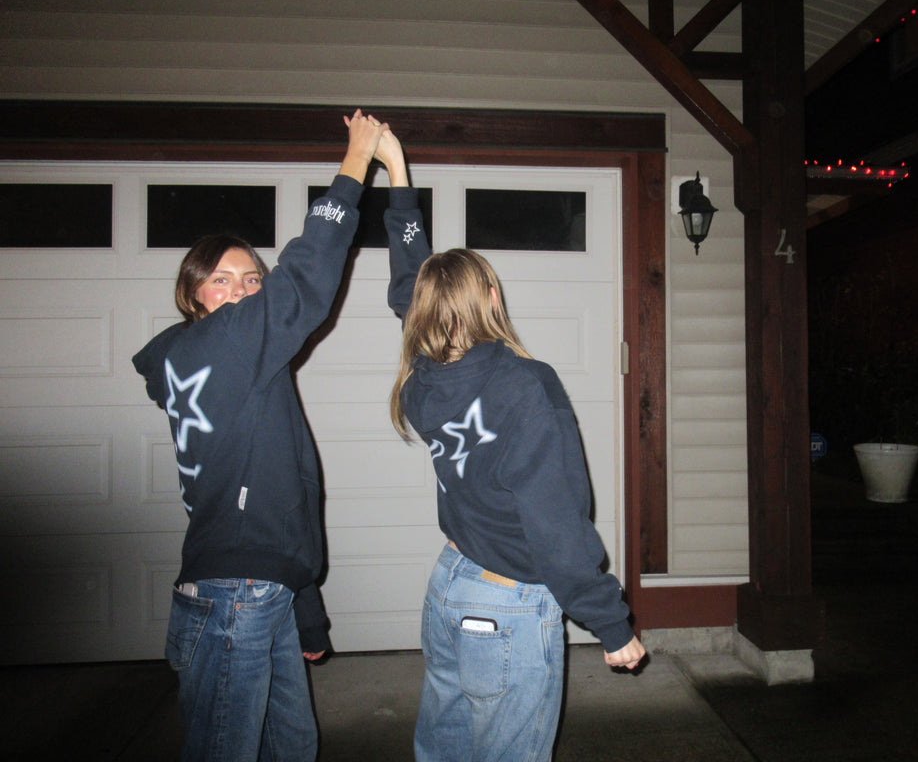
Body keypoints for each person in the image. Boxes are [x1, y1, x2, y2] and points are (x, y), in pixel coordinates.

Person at [132, 110, 415, 762]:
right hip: (236, 597)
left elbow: (277, 489)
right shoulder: (223, 346)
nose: (242, 290)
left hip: (262, 588)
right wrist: (355, 162)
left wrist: (305, 610)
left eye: (250, 279)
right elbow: (309, 273)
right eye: (222, 279)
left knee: (291, 744)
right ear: (193, 294)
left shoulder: (213, 360)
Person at [387, 196, 647, 759]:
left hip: (451, 582)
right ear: (493, 297)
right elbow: (555, 522)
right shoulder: (525, 384)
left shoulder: (420, 381)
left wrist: (399, 184)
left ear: (422, 310)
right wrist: (609, 620)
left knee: (445, 747)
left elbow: (405, 285)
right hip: (506, 601)